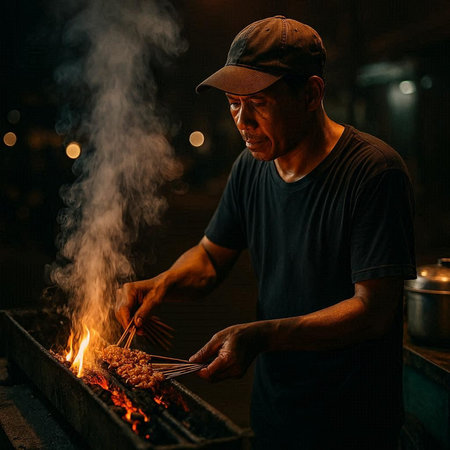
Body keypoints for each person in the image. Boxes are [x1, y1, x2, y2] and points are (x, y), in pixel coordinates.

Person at [116, 16, 416, 450]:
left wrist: (260, 335)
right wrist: (163, 283)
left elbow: (374, 310)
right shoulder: (250, 169)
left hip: (353, 424)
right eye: (234, 104)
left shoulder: (373, 173)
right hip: (274, 415)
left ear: (311, 94)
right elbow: (210, 257)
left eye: (258, 102)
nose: (243, 121)